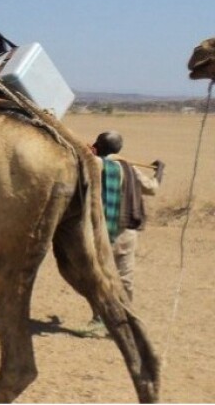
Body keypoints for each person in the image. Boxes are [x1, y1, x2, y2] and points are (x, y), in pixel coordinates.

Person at [87, 131, 164, 331]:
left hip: (102, 230)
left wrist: (87, 153)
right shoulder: (130, 169)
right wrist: (160, 170)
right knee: (125, 277)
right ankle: (125, 318)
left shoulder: (95, 164)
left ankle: (99, 318)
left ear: (99, 146)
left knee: (100, 275)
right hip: (127, 231)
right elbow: (152, 188)